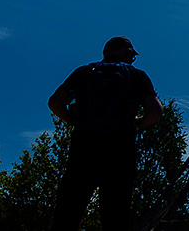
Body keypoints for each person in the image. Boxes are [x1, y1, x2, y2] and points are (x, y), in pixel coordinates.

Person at [48, 36, 164, 231]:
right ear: (128, 53)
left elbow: (55, 103)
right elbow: (156, 111)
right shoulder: (137, 76)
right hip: (119, 154)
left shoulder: (83, 72)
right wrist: (136, 123)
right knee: (115, 220)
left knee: (66, 218)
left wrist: (74, 122)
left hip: (82, 151)